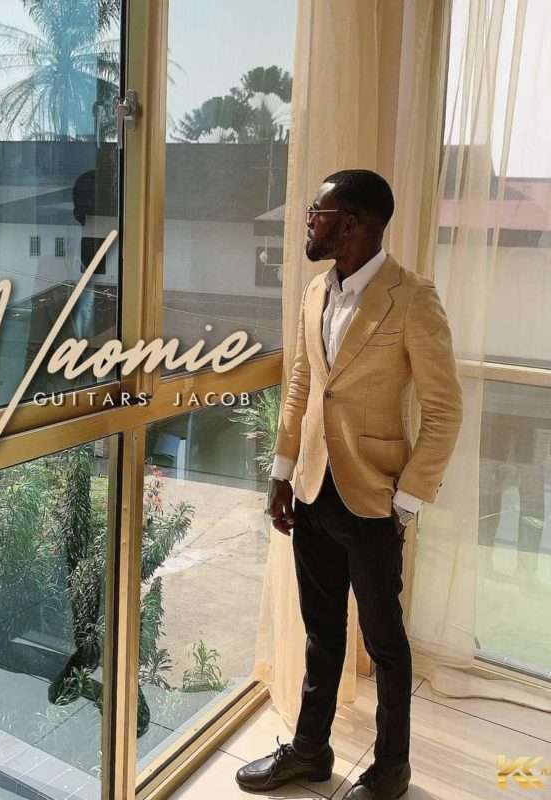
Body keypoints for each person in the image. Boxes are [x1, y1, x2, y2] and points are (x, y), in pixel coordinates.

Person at [235, 170, 463, 799]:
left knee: (384, 643)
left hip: (374, 498)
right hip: (312, 491)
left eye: (318, 210)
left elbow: (444, 410)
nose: (308, 220)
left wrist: (405, 502)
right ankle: (310, 752)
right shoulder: (315, 291)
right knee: (321, 633)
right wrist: (281, 474)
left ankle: (392, 769)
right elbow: (302, 387)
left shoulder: (412, 298)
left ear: (353, 222)